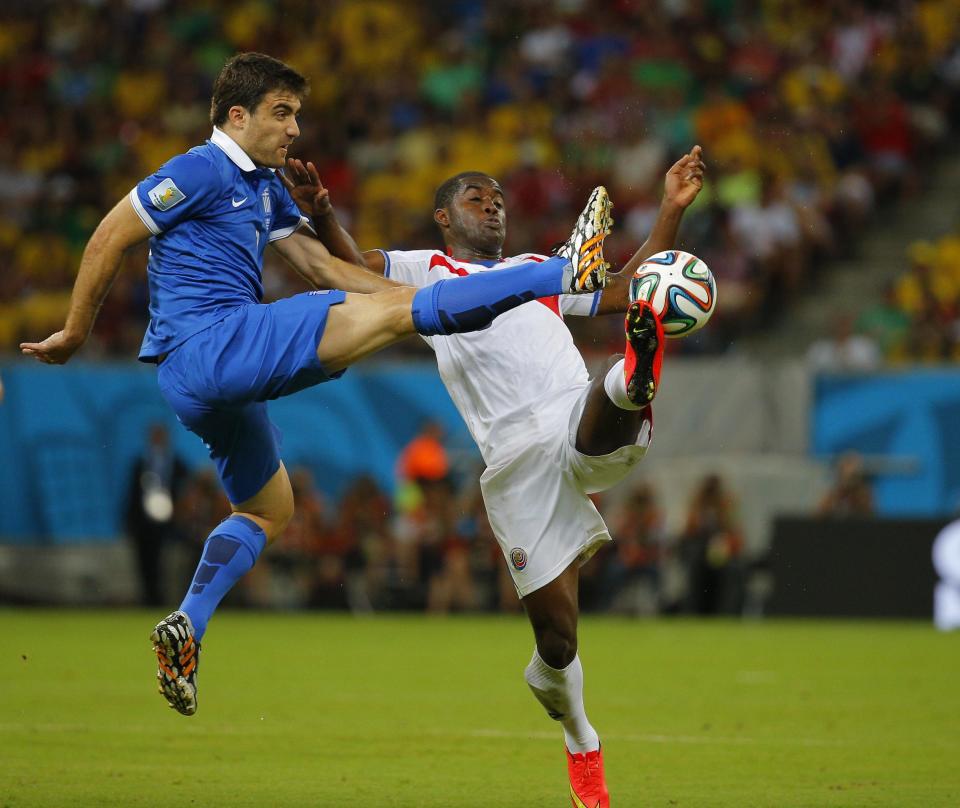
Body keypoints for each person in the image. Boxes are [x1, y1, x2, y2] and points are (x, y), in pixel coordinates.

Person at [19, 52, 610, 718]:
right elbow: (108, 234)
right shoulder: (199, 168)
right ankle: (562, 274)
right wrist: (75, 331)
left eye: (296, 113)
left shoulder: (264, 188)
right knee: (396, 314)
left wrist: (418, 300)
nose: (294, 128)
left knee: (270, 510)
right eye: (281, 112)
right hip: (215, 342)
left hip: (202, 385)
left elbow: (327, 269)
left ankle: (188, 623)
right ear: (236, 116)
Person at [286, 145, 705, 807]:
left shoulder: (539, 270)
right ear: (444, 217)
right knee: (557, 643)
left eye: (499, 200)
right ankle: (579, 736)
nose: (493, 206)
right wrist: (323, 213)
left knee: (611, 390)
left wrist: (669, 211)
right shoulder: (427, 271)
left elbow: (627, 287)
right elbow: (349, 275)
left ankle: (636, 369)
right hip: (515, 461)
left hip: (574, 416)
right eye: (477, 198)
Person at [124, 422, 190, 606]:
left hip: (169, 523)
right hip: (143, 521)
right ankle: (148, 597)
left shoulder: (178, 464)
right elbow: (132, 493)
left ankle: (163, 598)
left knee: (165, 562)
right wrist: (129, 519)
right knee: (144, 560)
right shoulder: (140, 463)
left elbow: (185, 491)